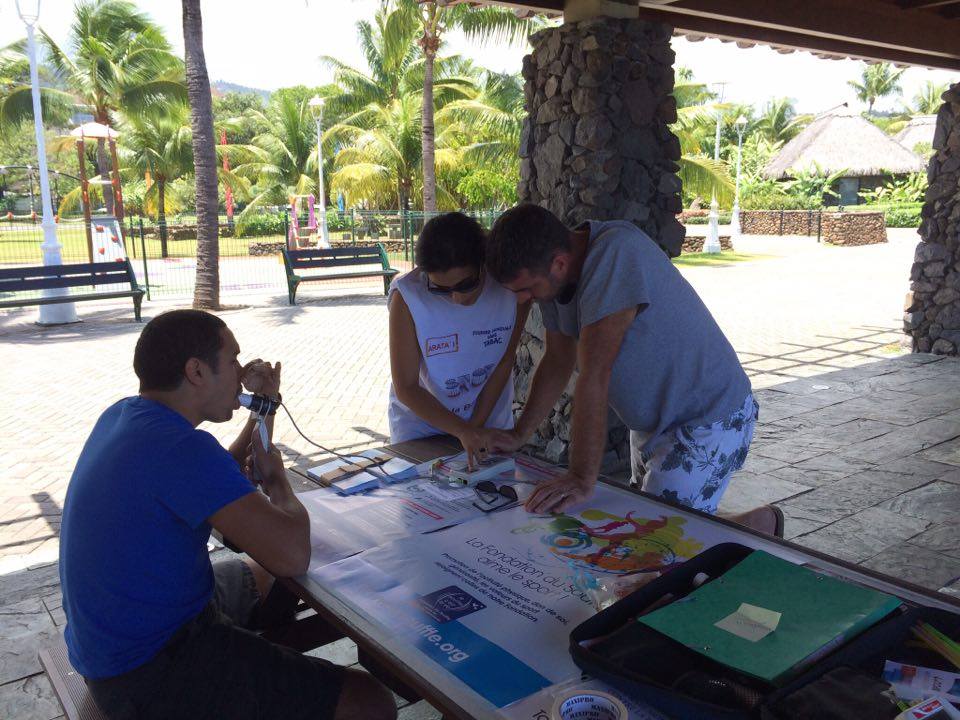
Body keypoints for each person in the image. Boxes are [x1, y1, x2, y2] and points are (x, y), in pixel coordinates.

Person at [59, 310, 396, 720]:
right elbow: (292, 554)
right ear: (197, 371)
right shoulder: (181, 449)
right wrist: (278, 484)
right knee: (371, 702)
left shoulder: (128, 416)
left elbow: (220, 475)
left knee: (265, 573)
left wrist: (264, 409)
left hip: (119, 634)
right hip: (148, 669)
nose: (241, 373)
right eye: (233, 359)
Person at [484, 204, 781, 535]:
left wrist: (581, 477)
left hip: (706, 417)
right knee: (653, 525)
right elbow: (557, 360)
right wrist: (519, 434)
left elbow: (594, 374)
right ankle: (756, 526)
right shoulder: (554, 279)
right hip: (654, 424)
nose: (522, 299)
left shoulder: (615, 252)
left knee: (656, 539)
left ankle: (757, 528)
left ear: (559, 263)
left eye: (526, 289)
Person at [388, 212, 529, 464]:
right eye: (440, 289)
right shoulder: (408, 297)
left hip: (487, 419)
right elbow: (406, 387)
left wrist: (473, 428)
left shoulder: (510, 288)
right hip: (422, 425)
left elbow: (504, 361)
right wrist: (462, 430)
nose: (456, 298)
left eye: (465, 285)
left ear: (482, 263)